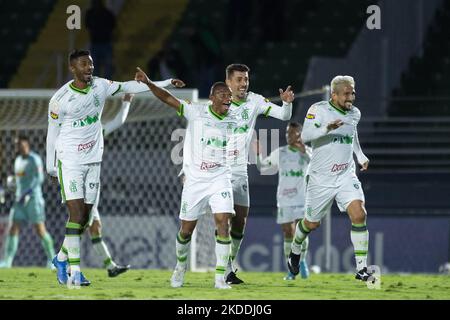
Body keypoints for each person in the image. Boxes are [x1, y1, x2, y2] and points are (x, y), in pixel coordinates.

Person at [46, 49, 181, 288]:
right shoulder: (60, 99)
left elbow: (130, 86)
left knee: (86, 218)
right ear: (72, 68)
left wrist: (162, 82)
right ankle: (75, 273)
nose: (89, 68)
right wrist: (50, 163)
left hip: (93, 160)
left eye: (91, 63)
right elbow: (52, 132)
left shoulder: (101, 85)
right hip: (70, 161)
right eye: (84, 64)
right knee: (76, 215)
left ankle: (60, 259)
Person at [135, 67, 238, 289]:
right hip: (196, 180)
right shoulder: (196, 111)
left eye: (229, 96)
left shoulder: (234, 119)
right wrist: (149, 83)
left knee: (223, 221)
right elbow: (168, 98)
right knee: (186, 231)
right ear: (211, 99)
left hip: (220, 177)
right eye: (222, 95)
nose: (227, 98)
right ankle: (180, 267)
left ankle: (220, 276)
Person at [287, 75, 372, 282]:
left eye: (352, 92)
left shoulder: (355, 113)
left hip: (345, 175)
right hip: (320, 178)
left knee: (359, 214)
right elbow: (305, 137)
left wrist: (360, 156)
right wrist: (327, 128)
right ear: (334, 95)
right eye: (346, 93)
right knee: (310, 224)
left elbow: (351, 134)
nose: (350, 97)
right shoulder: (318, 110)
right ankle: (295, 249)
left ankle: (362, 269)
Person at [223, 63, 294, 284]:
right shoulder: (217, 103)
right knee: (223, 218)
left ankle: (228, 267)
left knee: (240, 221)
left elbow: (283, 115)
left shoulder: (255, 100)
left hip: (240, 170)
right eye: (239, 79)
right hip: (219, 171)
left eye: (246, 79)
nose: (243, 83)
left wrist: (286, 103)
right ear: (228, 82)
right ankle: (223, 270)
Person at [255, 122, 311, 280]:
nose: (288, 136)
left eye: (292, 133)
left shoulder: (309, 153)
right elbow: (262, 168)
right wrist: (259, 154)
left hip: (302, 199)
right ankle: (291, 271)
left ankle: (302, 261)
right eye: (287, 133)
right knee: (288, 233)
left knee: (300, 234)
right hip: (284, 200)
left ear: (300, 134)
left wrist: (305, 152)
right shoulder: (280, 152)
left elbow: (317, 167)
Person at [0, 135, 55, 269]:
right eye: (19, 146)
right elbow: (18, 181)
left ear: (28, 145)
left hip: (33, 200)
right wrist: (11, 184)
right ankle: (8, 262)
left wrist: (28, 192)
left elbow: (40, 178)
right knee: (13, 228)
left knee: (40, 229)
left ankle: (52, 260)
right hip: (19, 201)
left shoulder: (34, 159)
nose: (22, 148)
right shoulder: (17, 160)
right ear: (17, 147)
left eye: (24, 146)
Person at [85, 0, 116, 79]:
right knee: (95, 67)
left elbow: (113, 25)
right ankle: (97, 85)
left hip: (105, 43)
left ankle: (108, 85)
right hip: (96, 43)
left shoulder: (107, 13)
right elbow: (87, 25)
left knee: (107, 67)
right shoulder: (90, 13)